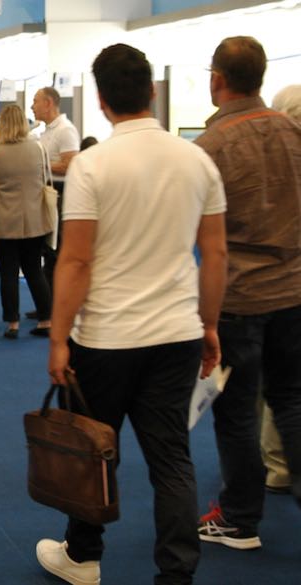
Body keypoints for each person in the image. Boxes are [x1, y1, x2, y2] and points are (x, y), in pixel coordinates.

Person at [38, 44, 227, 585]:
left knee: (96, 448)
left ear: (100, 100)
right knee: (172, 458)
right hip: (176, 333)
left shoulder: (93, 164)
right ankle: (177, 573)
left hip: (105, 336)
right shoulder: (196, 159)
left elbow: (74, 259)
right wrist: (209, 326)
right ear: (151, 92)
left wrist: (57, 339)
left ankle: (83, 555)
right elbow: (214, 254)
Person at [195, 37, 301, 550]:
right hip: (294, 291)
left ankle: (239, 518)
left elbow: (197, 236)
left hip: (237, 298)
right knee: (291, 400)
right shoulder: (293, 131)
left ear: (218, 79)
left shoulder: (210, 148)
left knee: (236, 411)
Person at [259, 83, 301, 495]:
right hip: (290, 285)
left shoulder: (270, 158)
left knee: (274, 387)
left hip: (267, 289)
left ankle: (276, 465)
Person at [0, 104, 52, 338]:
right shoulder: (37, 149)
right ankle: (46, 318)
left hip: (4, 221)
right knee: (34, 270)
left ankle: (12, 322)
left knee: (8, 272)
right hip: (34, 219)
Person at [31, 86, 80, 309]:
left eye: (35, 101)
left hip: (60, 195)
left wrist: (40, 165)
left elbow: (71, 164)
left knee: (56, 251)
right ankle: (48, 304)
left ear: (48, 103)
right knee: (48, 252)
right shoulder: (46, 131)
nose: (32, 106)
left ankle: (57, 306)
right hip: (48, 193)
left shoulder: (65, 130)